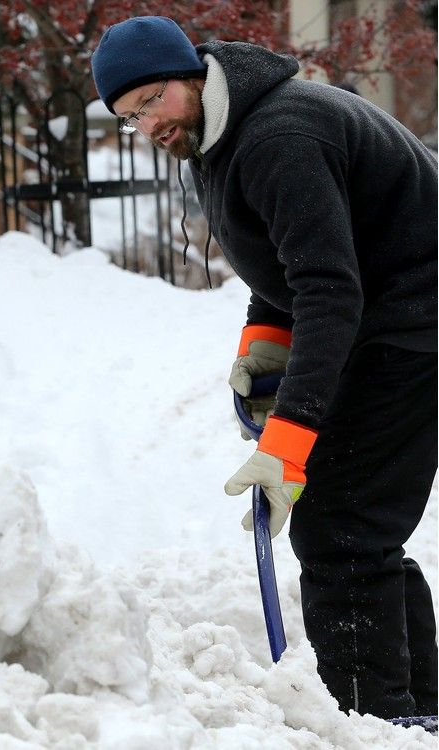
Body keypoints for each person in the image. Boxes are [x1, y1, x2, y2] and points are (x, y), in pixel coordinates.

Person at [91, 16, 437, 720]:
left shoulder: (279, 136)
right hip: (387, 315)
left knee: (340, 526)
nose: (149, 125)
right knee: (358, 526)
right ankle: (416, 713)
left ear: (190, 73)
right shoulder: (216, 133)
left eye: (152, 100)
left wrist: (289, 441)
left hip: (414, 318)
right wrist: (265, 341)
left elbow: (328, 288)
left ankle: (378, 721)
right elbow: (284, 256)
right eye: (130, 118)